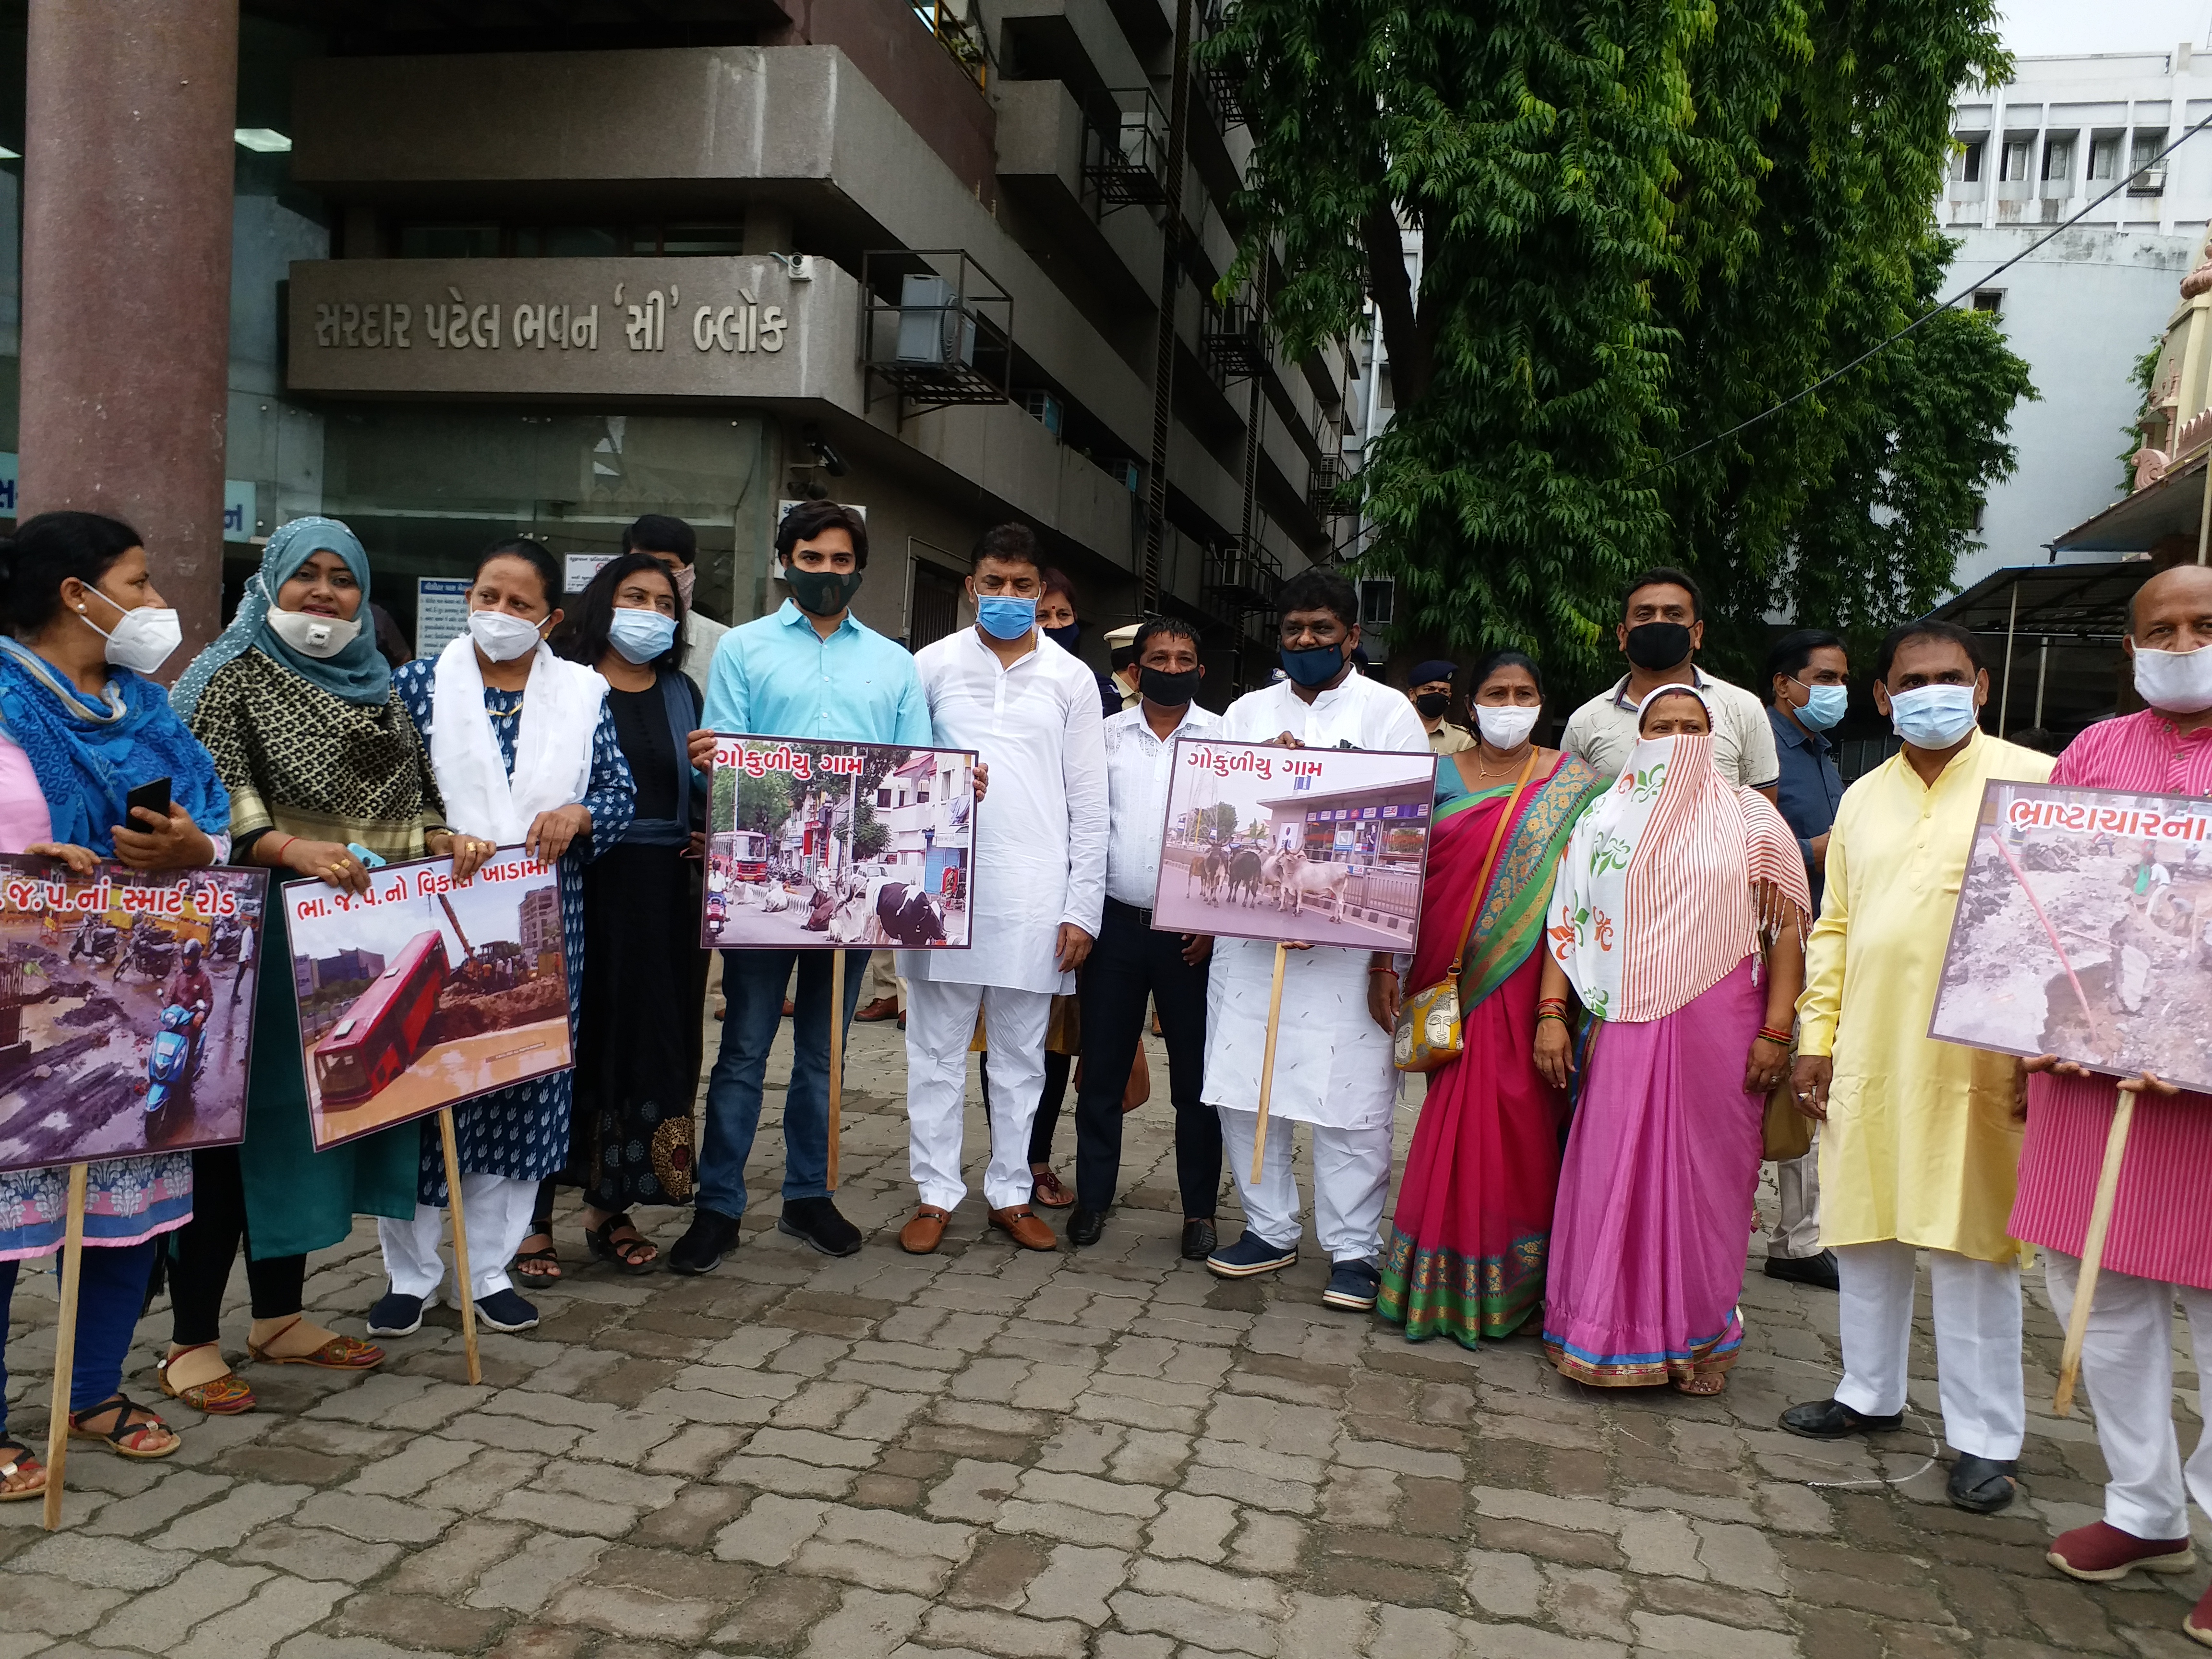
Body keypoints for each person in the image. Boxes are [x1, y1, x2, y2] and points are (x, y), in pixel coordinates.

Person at [168, 517, 471, 1411]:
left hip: (349, 938)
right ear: (270, 584)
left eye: (344, 580)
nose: (326, 596)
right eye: (309, 576)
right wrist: (284, 847)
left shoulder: (375, 685)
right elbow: (211, 794)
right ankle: (189, 1339)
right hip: (252, 942)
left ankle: (278, 1318)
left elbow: (411, 797)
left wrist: (445, 837)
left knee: (312, 1123)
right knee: (235, 1135)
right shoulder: (227, 676)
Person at [1782, 619, 2055, 1514]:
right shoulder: (1861, 797)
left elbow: (2064, 931)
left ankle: (1984, 1438)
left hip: (1983, 1058)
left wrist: (2040, 1051)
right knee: (1863, 1227)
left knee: (1971, 1245)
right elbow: (1835, 928)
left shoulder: (2037, 781)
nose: (1929, 692)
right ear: (1882, 696)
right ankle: (1869, 1391)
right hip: (1867, 1044)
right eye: (1910, 680)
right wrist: (1813, 1037)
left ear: (1980, 686)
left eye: (1948, 677)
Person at [0, 510, 235, 1487]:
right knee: (7, 1218)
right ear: (76, 595)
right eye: (137, 583)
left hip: (144, 998)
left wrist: (194, 852)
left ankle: (94, 1391)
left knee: (129, 1205)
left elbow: (213, 822)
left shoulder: (149, 706)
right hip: (17, 1016)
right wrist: (22, 867)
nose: (153, 603)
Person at [2012, 565, 2211, 1646]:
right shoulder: (2094, 754)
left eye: (2206, 625)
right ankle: (2144, 1509)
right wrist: (2058, 1020)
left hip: (2205, 1094)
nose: (2182, 642)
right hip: (2095, 1074)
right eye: (2160, 629)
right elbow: (2057, 895)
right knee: (2100, 1295)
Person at [370, 537, 635, 1335]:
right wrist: (431, 832)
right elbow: (383, 796)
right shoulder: (416, 686)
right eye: (489, 596)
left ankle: (487, 1270)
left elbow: (619, 792)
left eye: (521, 604)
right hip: (431, 917)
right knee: (422, 1088)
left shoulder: (585, 696)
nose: (501, 614)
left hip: (542, 924)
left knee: (519, 1089)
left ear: (551, 618)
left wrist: (580, 813)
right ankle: (409, 1276)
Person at [673, 500, 930, 1272]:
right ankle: (719, 1208)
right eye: (811, 559)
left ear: (860, 569)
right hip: (766, 887)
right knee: (744, 1049)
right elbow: (725, 759)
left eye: (840, 561)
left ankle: (807, 1198)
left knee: (827, 1054)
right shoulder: (745, 651)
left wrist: (958, 781)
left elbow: (915, 766)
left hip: (852, 888)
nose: (826, 572)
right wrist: (711, 759)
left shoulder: (894, 663)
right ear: (786, 561)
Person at [1536, 687, 1809, 1393]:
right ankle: (1596, 1328)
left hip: (1722, 1024)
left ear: (1715, 739)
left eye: (1694, 727)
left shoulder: (1753, 820)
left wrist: (1778, 1031)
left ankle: (1701, 1335)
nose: (1679, 738)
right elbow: (1568, 927)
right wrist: (1550, 1012)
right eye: (1664, 726)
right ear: (1640, 736)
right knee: (1609, 1168)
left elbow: (1784, 934)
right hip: (1622, 1022)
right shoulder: (1603, 819)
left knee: (1709, 1177)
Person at [1201, 568, 1430, 1310]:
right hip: (1252, 941)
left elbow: (1401, 827)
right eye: (1294, 630)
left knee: (1351, 1100)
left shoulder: (1388, 713)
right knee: (1246, 1085)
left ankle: (1355, 1250)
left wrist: (1387, 960)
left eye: (1321, 630)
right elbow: (1219, 807)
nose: (1306, 642)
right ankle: (1269, 1229)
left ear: (1352, 636)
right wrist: (1267, 765)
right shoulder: (1244, 711)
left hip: (1345, 945)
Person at [1370, 651, 1600, 1346]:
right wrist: (1384, 962)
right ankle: (1440, 1280)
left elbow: (1584, 900)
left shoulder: (1576, 785)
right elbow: (1396, 874)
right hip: (1446, 977)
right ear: (1472, 705)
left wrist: (1555, 1011)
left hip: (1535, 980)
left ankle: (1517, 1285)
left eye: (1523, 692)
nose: (1510, 703)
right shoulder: (1435, 778)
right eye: (1496, 693)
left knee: (1522, 1120)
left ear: (1542, 701)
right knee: (1452, 1113)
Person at [896, 522, 1106, 1254]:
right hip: (937, 891)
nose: (1010, 598)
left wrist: (1082, 907)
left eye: (1024, 586)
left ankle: (1011, 1192)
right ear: (971, 586)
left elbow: (1090, 801)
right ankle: (935, 1192)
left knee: (1021, 1059)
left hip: (1033, 895)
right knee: (934, 1052)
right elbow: (894, 770)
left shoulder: (1072, 678)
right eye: (995, 584)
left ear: (1042, 591)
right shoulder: (929, 666)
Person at [517, 554, 709, 1279]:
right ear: (603, 602)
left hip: (664, 900)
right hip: (576, 888)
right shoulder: (560, 684)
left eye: (665, 603)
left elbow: (688, 790)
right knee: (563, 1041)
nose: (651, 612)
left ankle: (611, 1207)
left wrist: (709, 818)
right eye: (635, 597)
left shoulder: (683, 691)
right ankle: (532, 1219)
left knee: (648, 1044)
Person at [1065, 615, 1224, 1253]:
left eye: (1186, 658)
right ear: (1137, 668)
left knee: (1197, 1084)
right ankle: (1093, 1201)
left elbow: (1244, 835)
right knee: (1101, 1075)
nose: (1173, 667)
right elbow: (1081, 827)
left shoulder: (1227, 737)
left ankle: (1199, 1214)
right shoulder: (1100, 739)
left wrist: (1216, 922)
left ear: (1201, 670)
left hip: (1193, 936)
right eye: (1160, 657)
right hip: (1114, 929)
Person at [1762, 628, 1850, 1293]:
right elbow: (1740, 826)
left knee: (1807, 1081)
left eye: (1841, 679)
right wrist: (1808, 850)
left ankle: (1798, 1238)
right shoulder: (1763, 748)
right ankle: (1788, 1234)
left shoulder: (1823, 752)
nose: (1834, 692)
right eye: (1822, 679)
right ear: (1784, 685)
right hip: (1766, 938)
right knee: (1770, 1077)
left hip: (1823, 937)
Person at [1561, 567, 1779, 795]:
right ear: (1623, 635)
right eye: (1644, 614)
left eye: (1674, 615)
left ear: (1697, 633)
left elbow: (1762, 812)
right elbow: (1573, 813)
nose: (1659, 623)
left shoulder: (1742, 709)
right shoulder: (1585, 722)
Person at [622, 513, 727, 691]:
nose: (654, 576)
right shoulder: (594, 637)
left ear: (689, 571)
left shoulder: (725, 646)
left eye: (667, 566)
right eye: (640, 563)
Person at [1407, 659, 1473, 755]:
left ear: (1449, 697)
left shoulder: (1463, 741)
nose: (1437, 695)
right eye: (1429, 689)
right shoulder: (1394, 733)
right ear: (1412, 695)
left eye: (1443, 691)